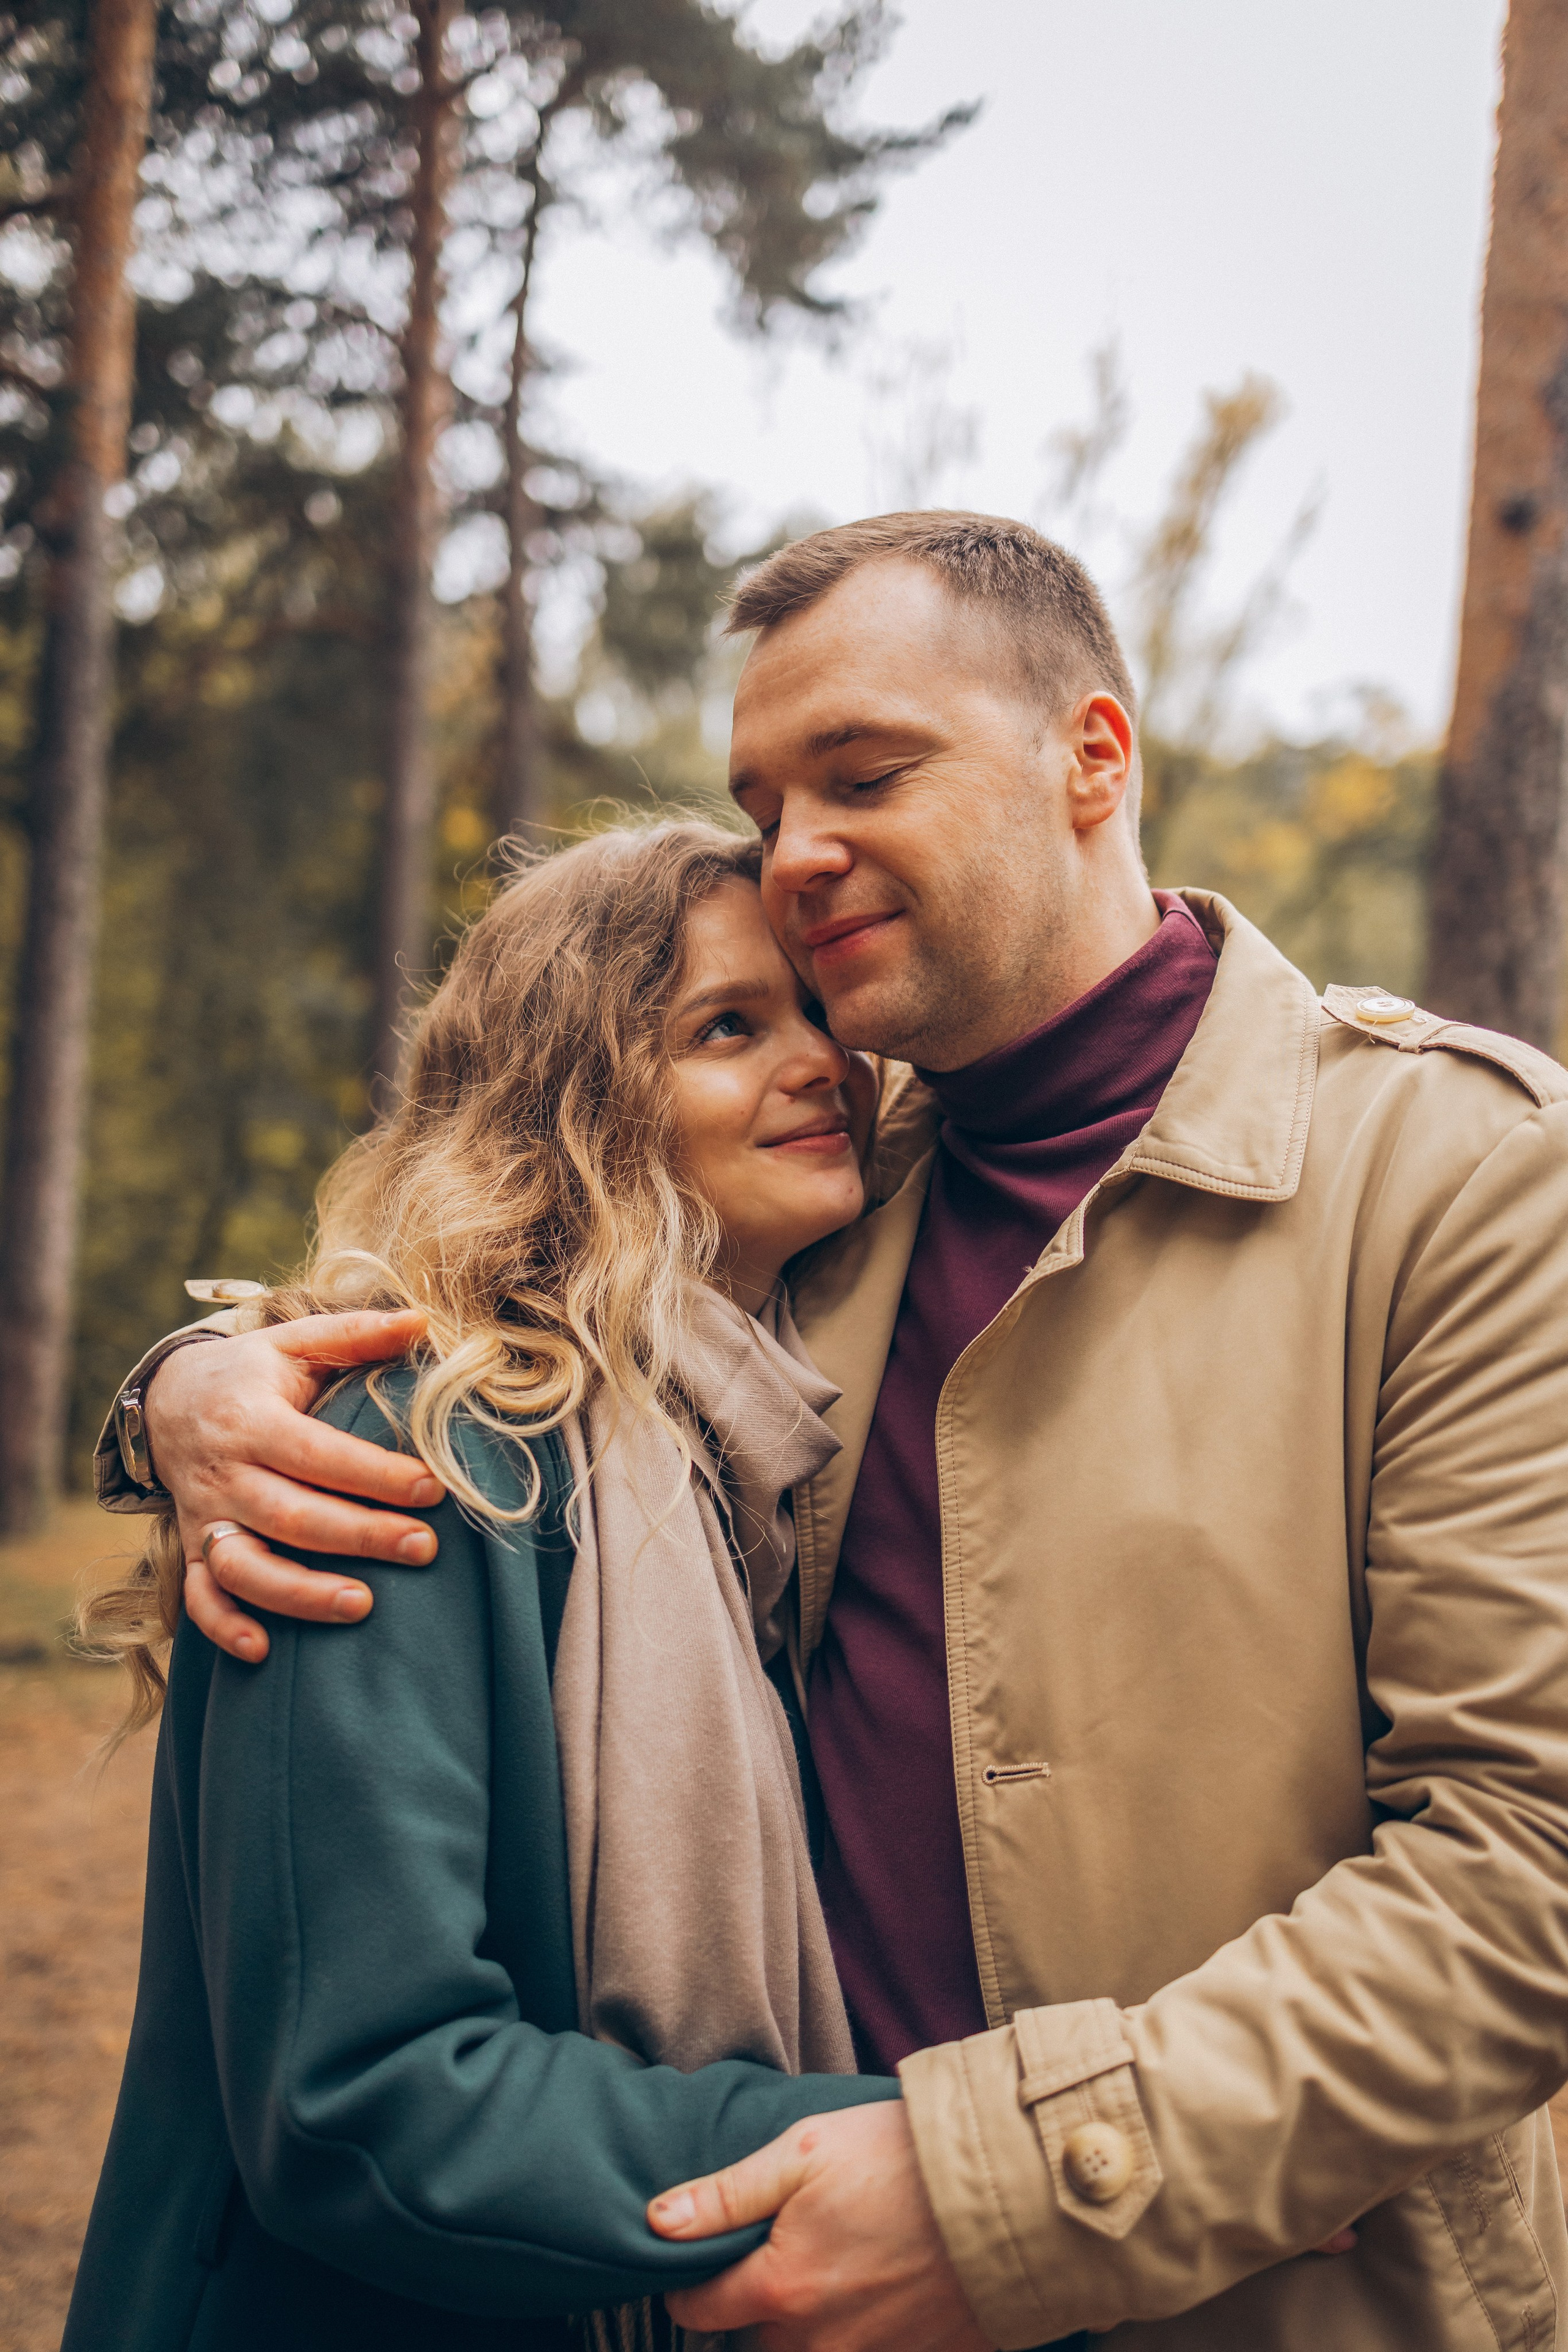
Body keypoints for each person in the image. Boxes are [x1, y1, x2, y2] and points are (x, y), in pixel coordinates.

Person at [99, 513, 1568, 2352]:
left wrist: (1007, 2185)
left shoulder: (1456, 1175)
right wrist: (189, 1388)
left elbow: (1526, 1858)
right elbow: (508, 1284)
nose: (795, 854)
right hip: (797, 2282)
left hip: (1266, 2296)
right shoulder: (826, 1200)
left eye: (862, 777)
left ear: (1092, 758)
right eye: (764, 802)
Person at [66, 821, 914, 2352]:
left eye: (816, 1012)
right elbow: (364, 2100)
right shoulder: (422, 1455)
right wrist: (943, 2162)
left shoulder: (754, 1465)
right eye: (727, 1028)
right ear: (574, 1102)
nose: (819, 1064)